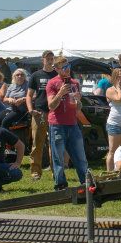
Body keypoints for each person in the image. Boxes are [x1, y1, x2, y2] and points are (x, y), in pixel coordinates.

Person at [45, 56, 89, 190]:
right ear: (57, 69)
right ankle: (61, 185)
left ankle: (86, 183)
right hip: (57, 124)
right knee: (58, 157)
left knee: (80, 157)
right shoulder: (52, 83)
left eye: (68, 66)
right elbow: (51, 106)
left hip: (72, 124)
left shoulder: (75, 83)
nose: (67, 69)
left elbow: (78, 108)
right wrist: (60, 94)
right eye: (64, 68)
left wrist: (79, 101)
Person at [25, 50, 57, 181]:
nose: (50, 61)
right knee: (37, 143)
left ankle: (56, 171)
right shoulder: (36, 75)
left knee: (55, 143)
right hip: (39, 112)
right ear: (42, 60)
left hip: (55, 112)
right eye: (48, 58)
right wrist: (31, 109)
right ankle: (35, 172)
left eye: (52, 58)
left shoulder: (57, 75)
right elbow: (28, 95)